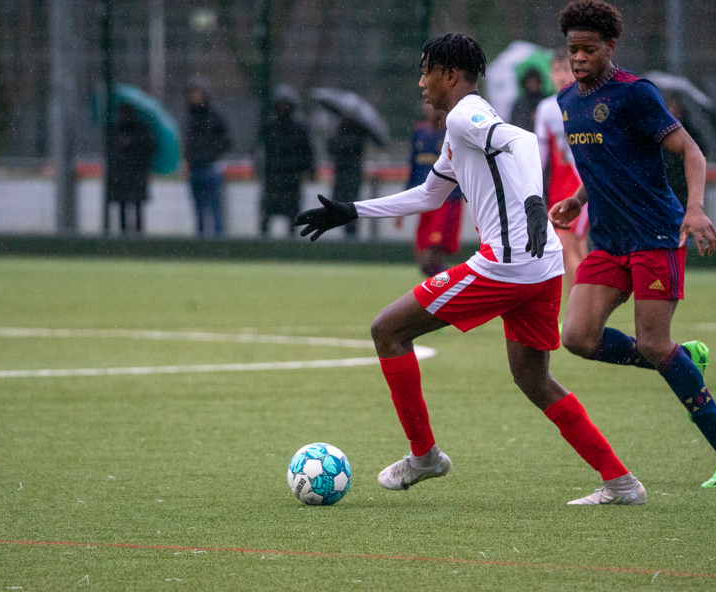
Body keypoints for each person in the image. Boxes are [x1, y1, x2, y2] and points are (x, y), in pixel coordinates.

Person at [296, 32, 647, 506]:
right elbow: (428, 195)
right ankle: (621, 482)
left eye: (426, 72)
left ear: (450, 75)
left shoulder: (466, 114)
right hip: (540, 267)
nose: (421, 83)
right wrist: (351, 210)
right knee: (534, 380)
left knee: (388, 331)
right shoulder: (458, 131)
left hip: (505, 264)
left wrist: (533, 202)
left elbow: (520, 143)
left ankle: (424, 456)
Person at [549, 0, 716, 488]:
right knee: (577, 337)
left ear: (610, 47)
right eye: (572, 49)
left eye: (587, 49)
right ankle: (679, 355)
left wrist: (696, 207)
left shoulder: (635, 94)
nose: (578, 58)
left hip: (655, 235)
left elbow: (691, 151)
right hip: (609, 238)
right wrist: (579, 199)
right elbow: (603, 162)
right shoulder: (567, 101)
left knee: (652, 343)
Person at [533, 47, 587, 297]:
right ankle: (588, 313)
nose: (561, 75)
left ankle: (580, 315)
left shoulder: (585, 102)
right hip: (558, 188)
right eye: (556, 70)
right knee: (575, 248)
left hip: (581, 186)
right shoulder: (546, 108)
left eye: (566, 69)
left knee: (567, 249)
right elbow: (540, 157)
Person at [400, 101, 463, 278]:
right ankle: (451, 287)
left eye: (431, 103)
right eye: (426, 103)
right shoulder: (419, 132)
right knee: (422, 259)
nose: (428, 107)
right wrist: (403, 202)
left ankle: (453, 289)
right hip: (423, 201)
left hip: (446, 200)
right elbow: (412, 167)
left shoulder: (452, 133)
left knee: (431, 256)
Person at [259, 85, 315, 238]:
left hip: (291, 179)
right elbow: (261, 150)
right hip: (273, 178)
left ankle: (291, 245)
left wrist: (308, 170)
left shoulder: (299, 127)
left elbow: (307, 151)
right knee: (267, 214)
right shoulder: (270, 126)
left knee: (292, 216)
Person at [184, 78, 231, 239]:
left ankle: (218, 242)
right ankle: (201, 241)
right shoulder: (190, 116)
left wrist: (211, 153)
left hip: (211, 167)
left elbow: (227, 140)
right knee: (199, 209)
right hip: (195, 167)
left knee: (215, 208)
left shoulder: (215, 115)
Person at [107, 103, 156, 235]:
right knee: (123, 206)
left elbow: (149, 148)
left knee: (137, 206)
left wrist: (131, 143)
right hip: (123, 173)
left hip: (136, 173)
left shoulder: (141, 129)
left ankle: (138, 236)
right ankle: (125, 236)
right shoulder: (115, 129)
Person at [327, 114, 369, 239]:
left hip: (347, 178)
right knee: (349, 210)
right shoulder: (357, 135)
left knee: (346, 209)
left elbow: (332, 149)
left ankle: (349, 236)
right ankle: (350, 235)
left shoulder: (346, 136)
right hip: (350, 178)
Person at [662, 95, 708, 207]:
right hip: (668, 181)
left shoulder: (689, 131)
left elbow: (702, 151)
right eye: (671, 108)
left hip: (684, 183)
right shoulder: (662, 130)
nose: (674, 112)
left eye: (676, 108)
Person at [510, 68, 545, 132]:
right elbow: (516, 124)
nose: (533, 85)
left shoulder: (545, 100)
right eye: (530, 82)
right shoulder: (520, 104)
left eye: (535, 82)